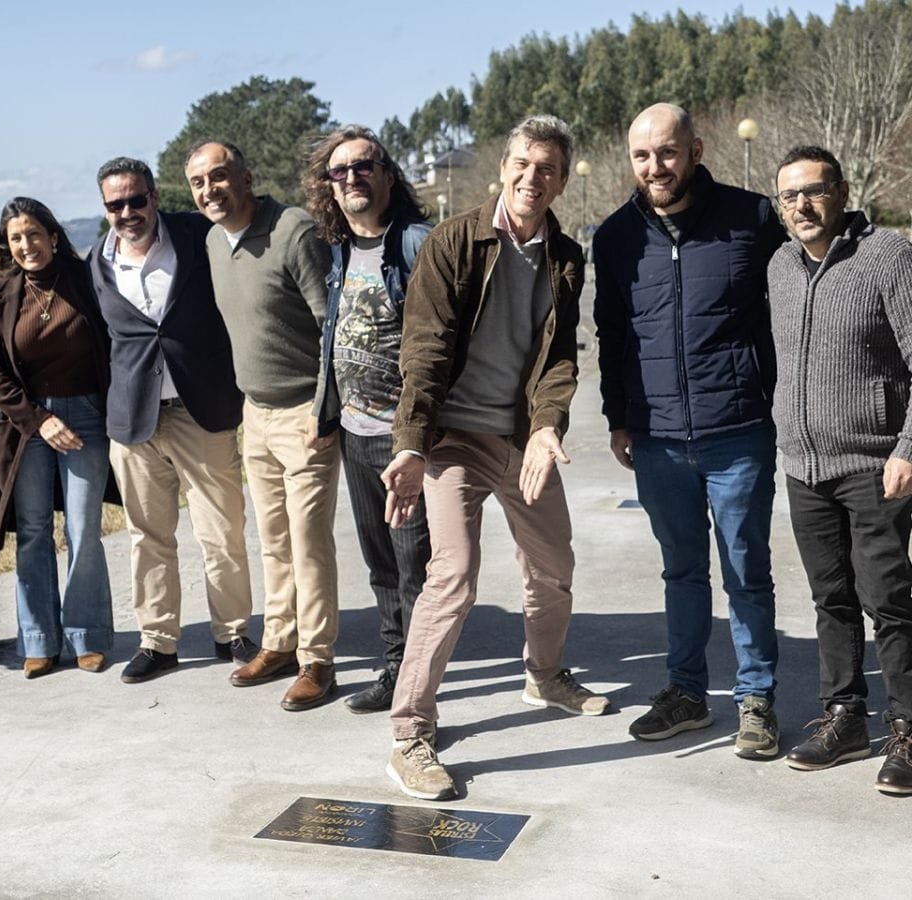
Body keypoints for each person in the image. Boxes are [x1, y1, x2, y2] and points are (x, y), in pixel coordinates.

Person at [382, 116, 608, 801]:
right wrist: (411, 444)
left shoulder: (565, 255)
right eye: (522, 164)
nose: (532, 178)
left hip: (518, 439)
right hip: (453, 439)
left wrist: (546, 427)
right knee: (453, 574)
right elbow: (424, 349)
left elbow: (559, 357)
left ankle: (544, 675)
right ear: (503, 168)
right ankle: (410, 732)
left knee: (554, 565)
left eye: (547, 169)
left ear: (561, 181)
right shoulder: (454, 241)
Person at [593, 103, 787, 758]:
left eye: (668, 152)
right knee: (681, 572)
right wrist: (618, 417)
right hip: (657, 438)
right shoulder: (615, 236)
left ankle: (756, 700)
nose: (655, 166)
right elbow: (613, 334)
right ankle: (686, 693)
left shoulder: (752, 217)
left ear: (696, 151)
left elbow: (791, 306)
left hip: (739, 430)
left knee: (746, 571)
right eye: (642, 155)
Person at [768, 145, 912, 794]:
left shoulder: (887, 257)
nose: (802, 204)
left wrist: (907, 449)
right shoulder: (779, 266)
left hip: (875, 465)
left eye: (815, 190)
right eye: (789, 196)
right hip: (804, 467)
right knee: (831, 599)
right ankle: (845, 717)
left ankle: (907, 730)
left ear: (842, 191)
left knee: (890, 600)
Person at [184, 141, 339, 711]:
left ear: (246, 178)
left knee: (308, 542)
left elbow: (332, 325)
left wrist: (325, 407)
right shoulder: (212, 241)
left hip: (304, 414)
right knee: (273, 539)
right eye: (199, 182)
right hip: (256, 413)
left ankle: (317, 660)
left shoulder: (293, 232)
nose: (210, 190)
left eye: (220, 176)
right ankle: (280, 641)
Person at [91, 157, 255, 683]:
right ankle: (158, 642)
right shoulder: (96, 261)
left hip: (200, 410)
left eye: (136, 200)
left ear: (155, 196)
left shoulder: (196, 235)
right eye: (116, 204)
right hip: (133, 420)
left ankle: (232, 633)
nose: (128, 212)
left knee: (221, 530)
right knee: (147, 536)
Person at [302, 126, 432, 713]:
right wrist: (322, 410)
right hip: (355, 433)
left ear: (387, 175)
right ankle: (396, 668)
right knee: (381, 565)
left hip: (404, 439)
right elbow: (331, 335)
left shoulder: (416, 244)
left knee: (414, 566)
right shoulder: (337, 250)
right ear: (328, 186)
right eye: (340, 170)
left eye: (363, 166)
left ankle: (417, 684)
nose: (351, 177)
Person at [0, 197, 115, 678]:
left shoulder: (87, 280)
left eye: (34, 233)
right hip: (25, 424)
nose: (26, 244)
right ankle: (38, 639)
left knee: (83, 528)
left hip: (87, 417)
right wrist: (37, 419)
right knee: (33, 530)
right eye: (16, 237)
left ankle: (87, 636)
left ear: (53, 236)